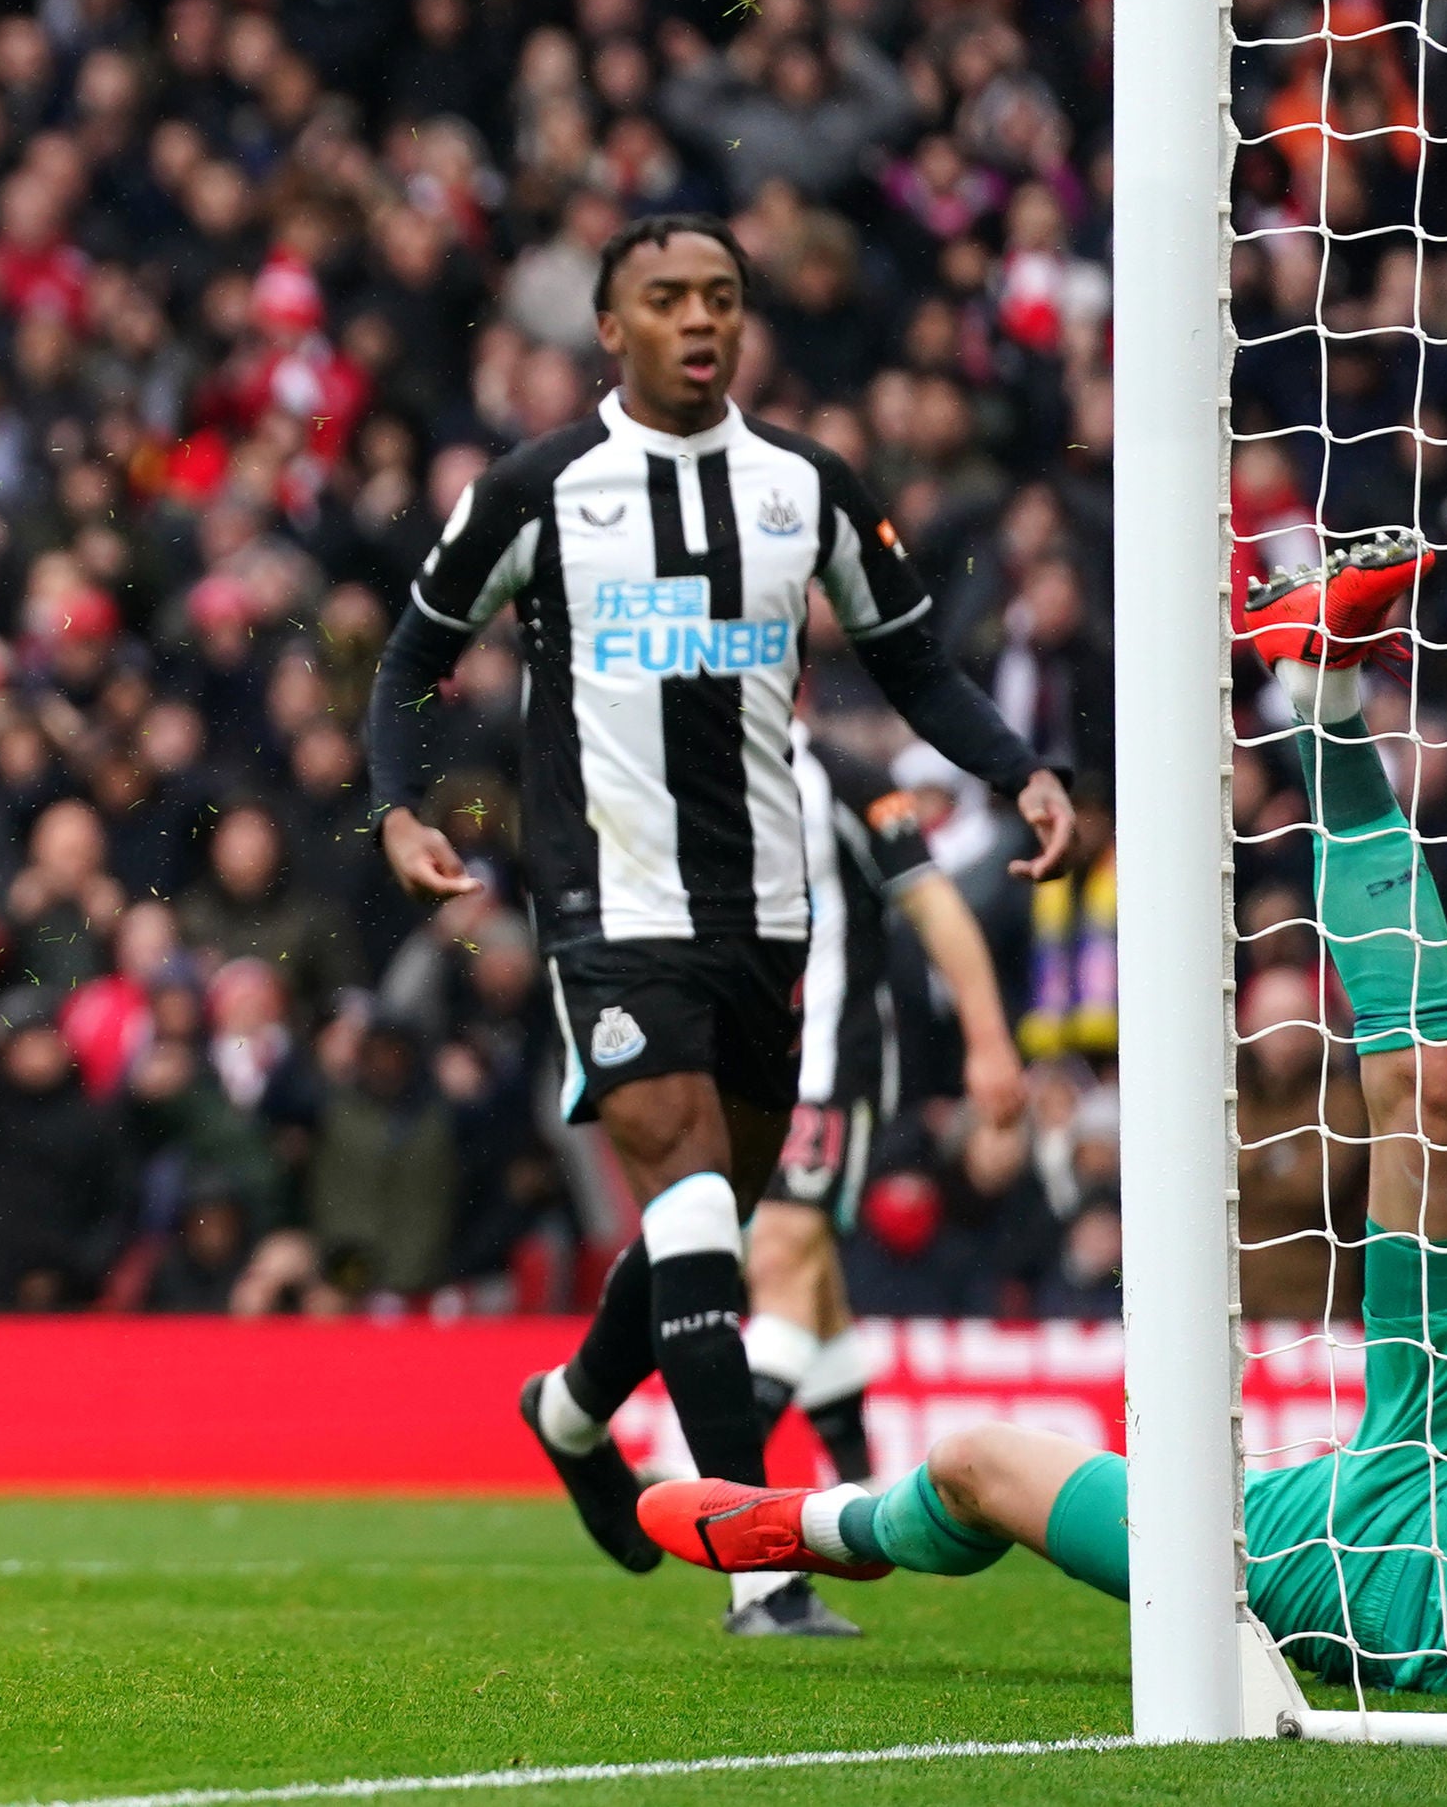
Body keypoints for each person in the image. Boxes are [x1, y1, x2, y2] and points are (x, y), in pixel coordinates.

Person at [363, 212, 1075, 1639]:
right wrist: (396, 806)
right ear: (610, 327)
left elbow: (913, 660)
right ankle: (760, 1559)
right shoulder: (540, 487)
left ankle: (571, 1411)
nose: (701, 319)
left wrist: (1019, 767)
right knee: (690, 1198)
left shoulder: (803, 488)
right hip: (608, 903)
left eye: (722, 298)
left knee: (718, 1215)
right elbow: (412, 660)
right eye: (668, 298)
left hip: (767, 912)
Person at [646, 533, 1447, 1699]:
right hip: (1437, 1409)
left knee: (977, 1460)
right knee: (1434, 1088)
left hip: (1338, 1576)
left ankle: (817, 1525)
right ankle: (1323, 694)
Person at [725, 719, 1026, 1637]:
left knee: (779, 1260)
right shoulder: (682, 761)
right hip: (735, 1075)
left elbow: (935, 905)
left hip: (827, 1071)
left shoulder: (842, 775)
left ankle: (752, 1566)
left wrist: (988, 1039)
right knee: (810, 1293)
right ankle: (867, 1514)